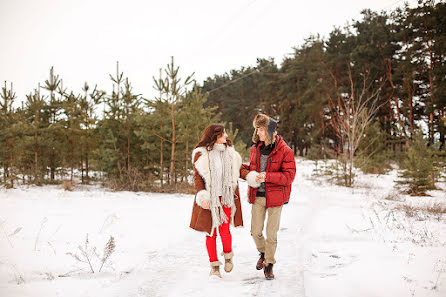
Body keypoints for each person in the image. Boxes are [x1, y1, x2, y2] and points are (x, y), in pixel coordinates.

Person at [242, 113, 296, 280]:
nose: (258, 132)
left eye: (261, 129)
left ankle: (269, 264)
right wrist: (240, 169)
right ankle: (264, 253)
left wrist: (267, 176)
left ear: (270, 130)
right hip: (258, 195)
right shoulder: (255, 149)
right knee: (255, 231)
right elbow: (251, 167)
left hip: (276, 197)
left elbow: (289, 176)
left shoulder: (285, 151)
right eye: (257, 129)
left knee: (271, 233)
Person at [189, 124, 246, 278]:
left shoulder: (230, 153)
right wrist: (202, 195)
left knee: (224, 230)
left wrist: (252, 175)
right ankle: (214, 266)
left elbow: (241, 169)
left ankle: (228, 256)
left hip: (226, 198)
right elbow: (198, 178)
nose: (226, 136)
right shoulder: (201, 154)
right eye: (223, 134)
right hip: (210, 199)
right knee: (211, 232)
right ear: (215, 136)